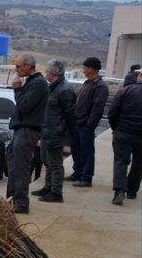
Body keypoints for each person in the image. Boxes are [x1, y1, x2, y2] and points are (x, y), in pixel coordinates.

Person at [7, 53, 48, 214]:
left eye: (18, 66)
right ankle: (14, 198)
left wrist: (17, 90)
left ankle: (21, 203)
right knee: (12, 165)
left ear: (28, 66)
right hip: (22, 129)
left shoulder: (38, 83)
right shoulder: (33, 81)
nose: (16, 70)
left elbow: (25, 106)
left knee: (20, 169)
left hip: (27, 130)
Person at [33, 60, 77, 203]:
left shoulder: (65, 90)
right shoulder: (52, 87)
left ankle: (56, 192)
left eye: (47, 72)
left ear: (52, 73)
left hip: (56, 132)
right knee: (46, 161)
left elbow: (70, 114)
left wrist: (69, 133)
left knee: (55, 163)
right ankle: (48, 187)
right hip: (47, 131)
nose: (45, 74)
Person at [68, 57, 109, 188]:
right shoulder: (88, 83)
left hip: (86, 125)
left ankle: (86, 177)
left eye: (85, 68)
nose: (83, 70)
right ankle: (78, 172)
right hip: (78, 122)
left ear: (92, 69)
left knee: (87, 151)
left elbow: (98, 108)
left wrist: (90, 124)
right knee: (75, 149)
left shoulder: (100, 86)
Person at [108, 69, 142, 205]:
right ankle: (132, 191)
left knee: (121, 162)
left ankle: (120, 191)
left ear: (140, 77)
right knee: (139, 164)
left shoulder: (126, 91)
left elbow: (112, 111)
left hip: (124, 132)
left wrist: (116, 128)